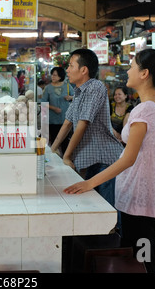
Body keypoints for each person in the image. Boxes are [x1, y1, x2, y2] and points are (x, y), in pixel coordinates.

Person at [64, 48, 155, 273]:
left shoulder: (144, 110)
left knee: (139, 252)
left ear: (144, 73)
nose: (128, 71)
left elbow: (128, 159)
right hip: (154, 189)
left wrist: (89, 183)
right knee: (146, 246)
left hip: (140, 192)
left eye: (132, 66)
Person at [51, 49, 124, 210]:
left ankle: (115, 234)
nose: (67, 70)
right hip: (91, 161)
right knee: (93, 207)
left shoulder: (95, 87)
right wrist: (52, 150)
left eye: (71, 66)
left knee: (107, 211)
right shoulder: (78, 92)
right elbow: (68, 123)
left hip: (104, 160)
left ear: (83, 70)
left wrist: (67, 156)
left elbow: (82, 124)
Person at [41, 66, 74, 154]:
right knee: (55, 140)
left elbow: (75, 97)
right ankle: (56, 159)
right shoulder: (48, 88)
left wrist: (70, 97)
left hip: (65, 119)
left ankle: (65, 159)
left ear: (60, 76)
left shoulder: (67, 86)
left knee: (65, 142)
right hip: (52, 120)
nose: (52, 77)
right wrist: (53, 108)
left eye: (55, 75)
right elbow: (43, 102)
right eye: (52, 75)